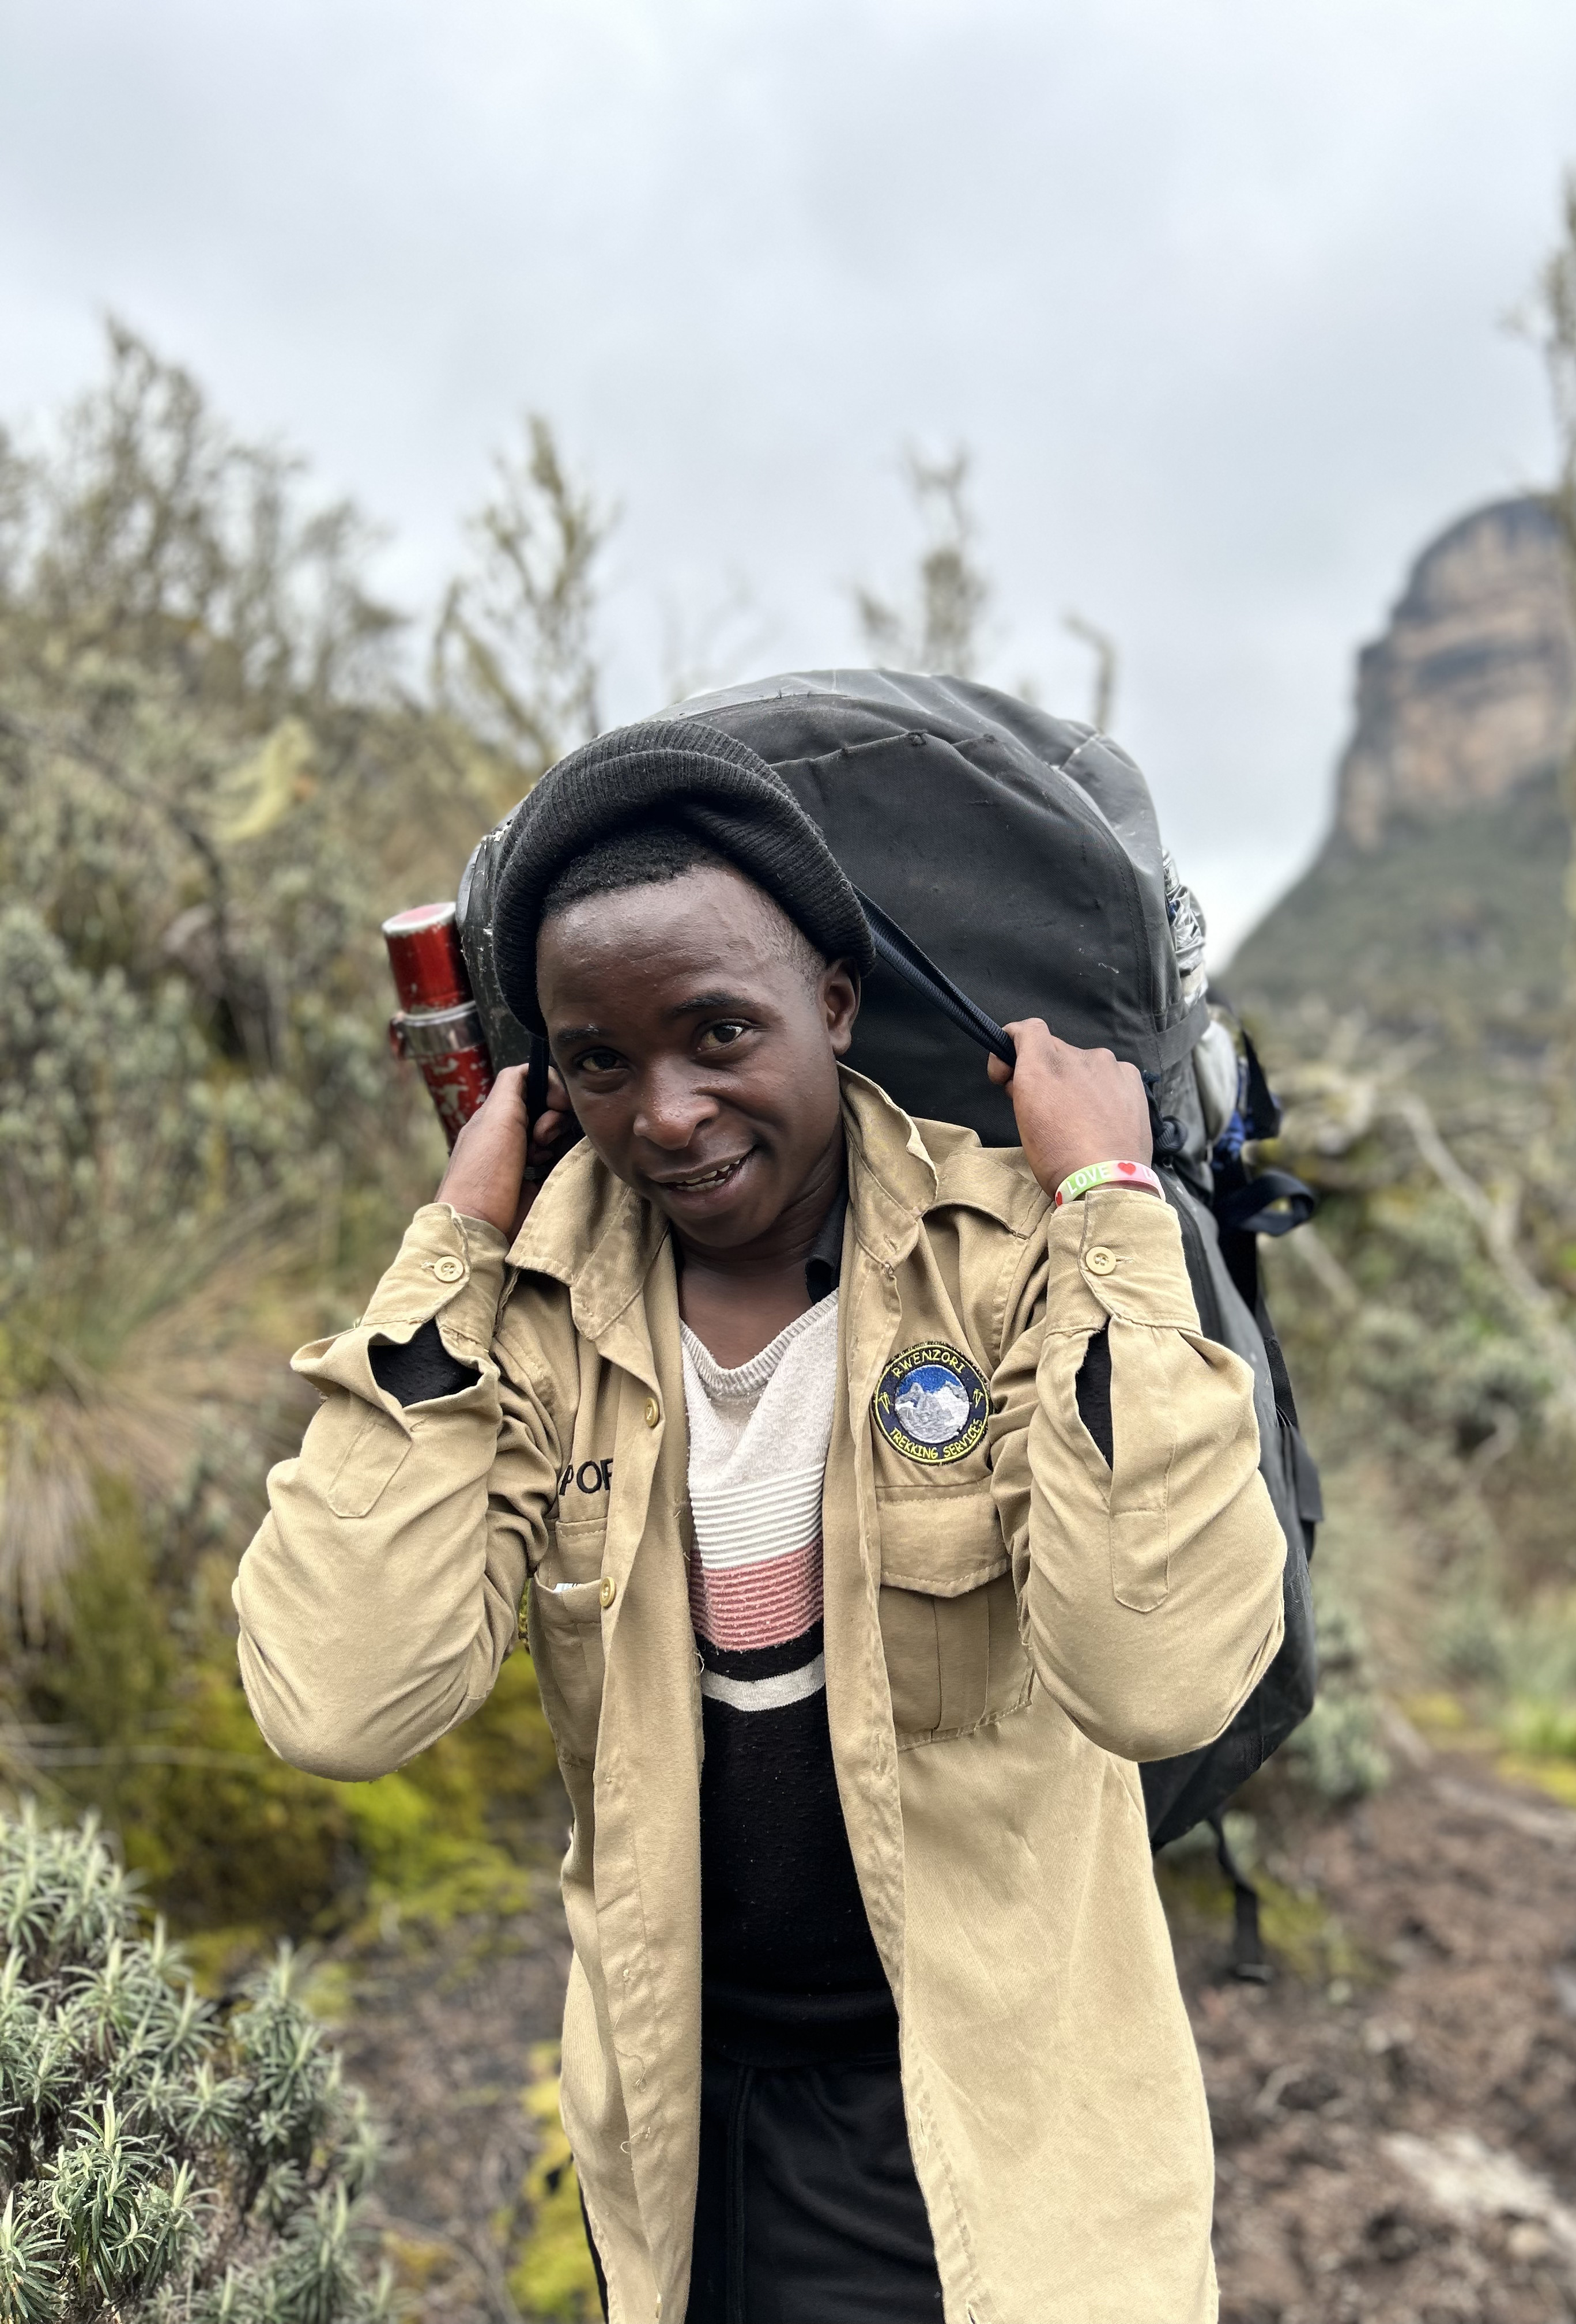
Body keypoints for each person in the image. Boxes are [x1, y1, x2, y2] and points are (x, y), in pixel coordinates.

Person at [234, 719, 1286, 2324]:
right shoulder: (529, 1321)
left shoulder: (1008, 1268)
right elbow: (336, 1695)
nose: (666, 1114)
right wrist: (454, 1237)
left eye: (721, 1033)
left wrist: (1113, 1212)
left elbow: (1155, 1675)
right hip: (687, 2140)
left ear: (834, 1008)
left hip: (999, 2127)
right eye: (599, 1061)